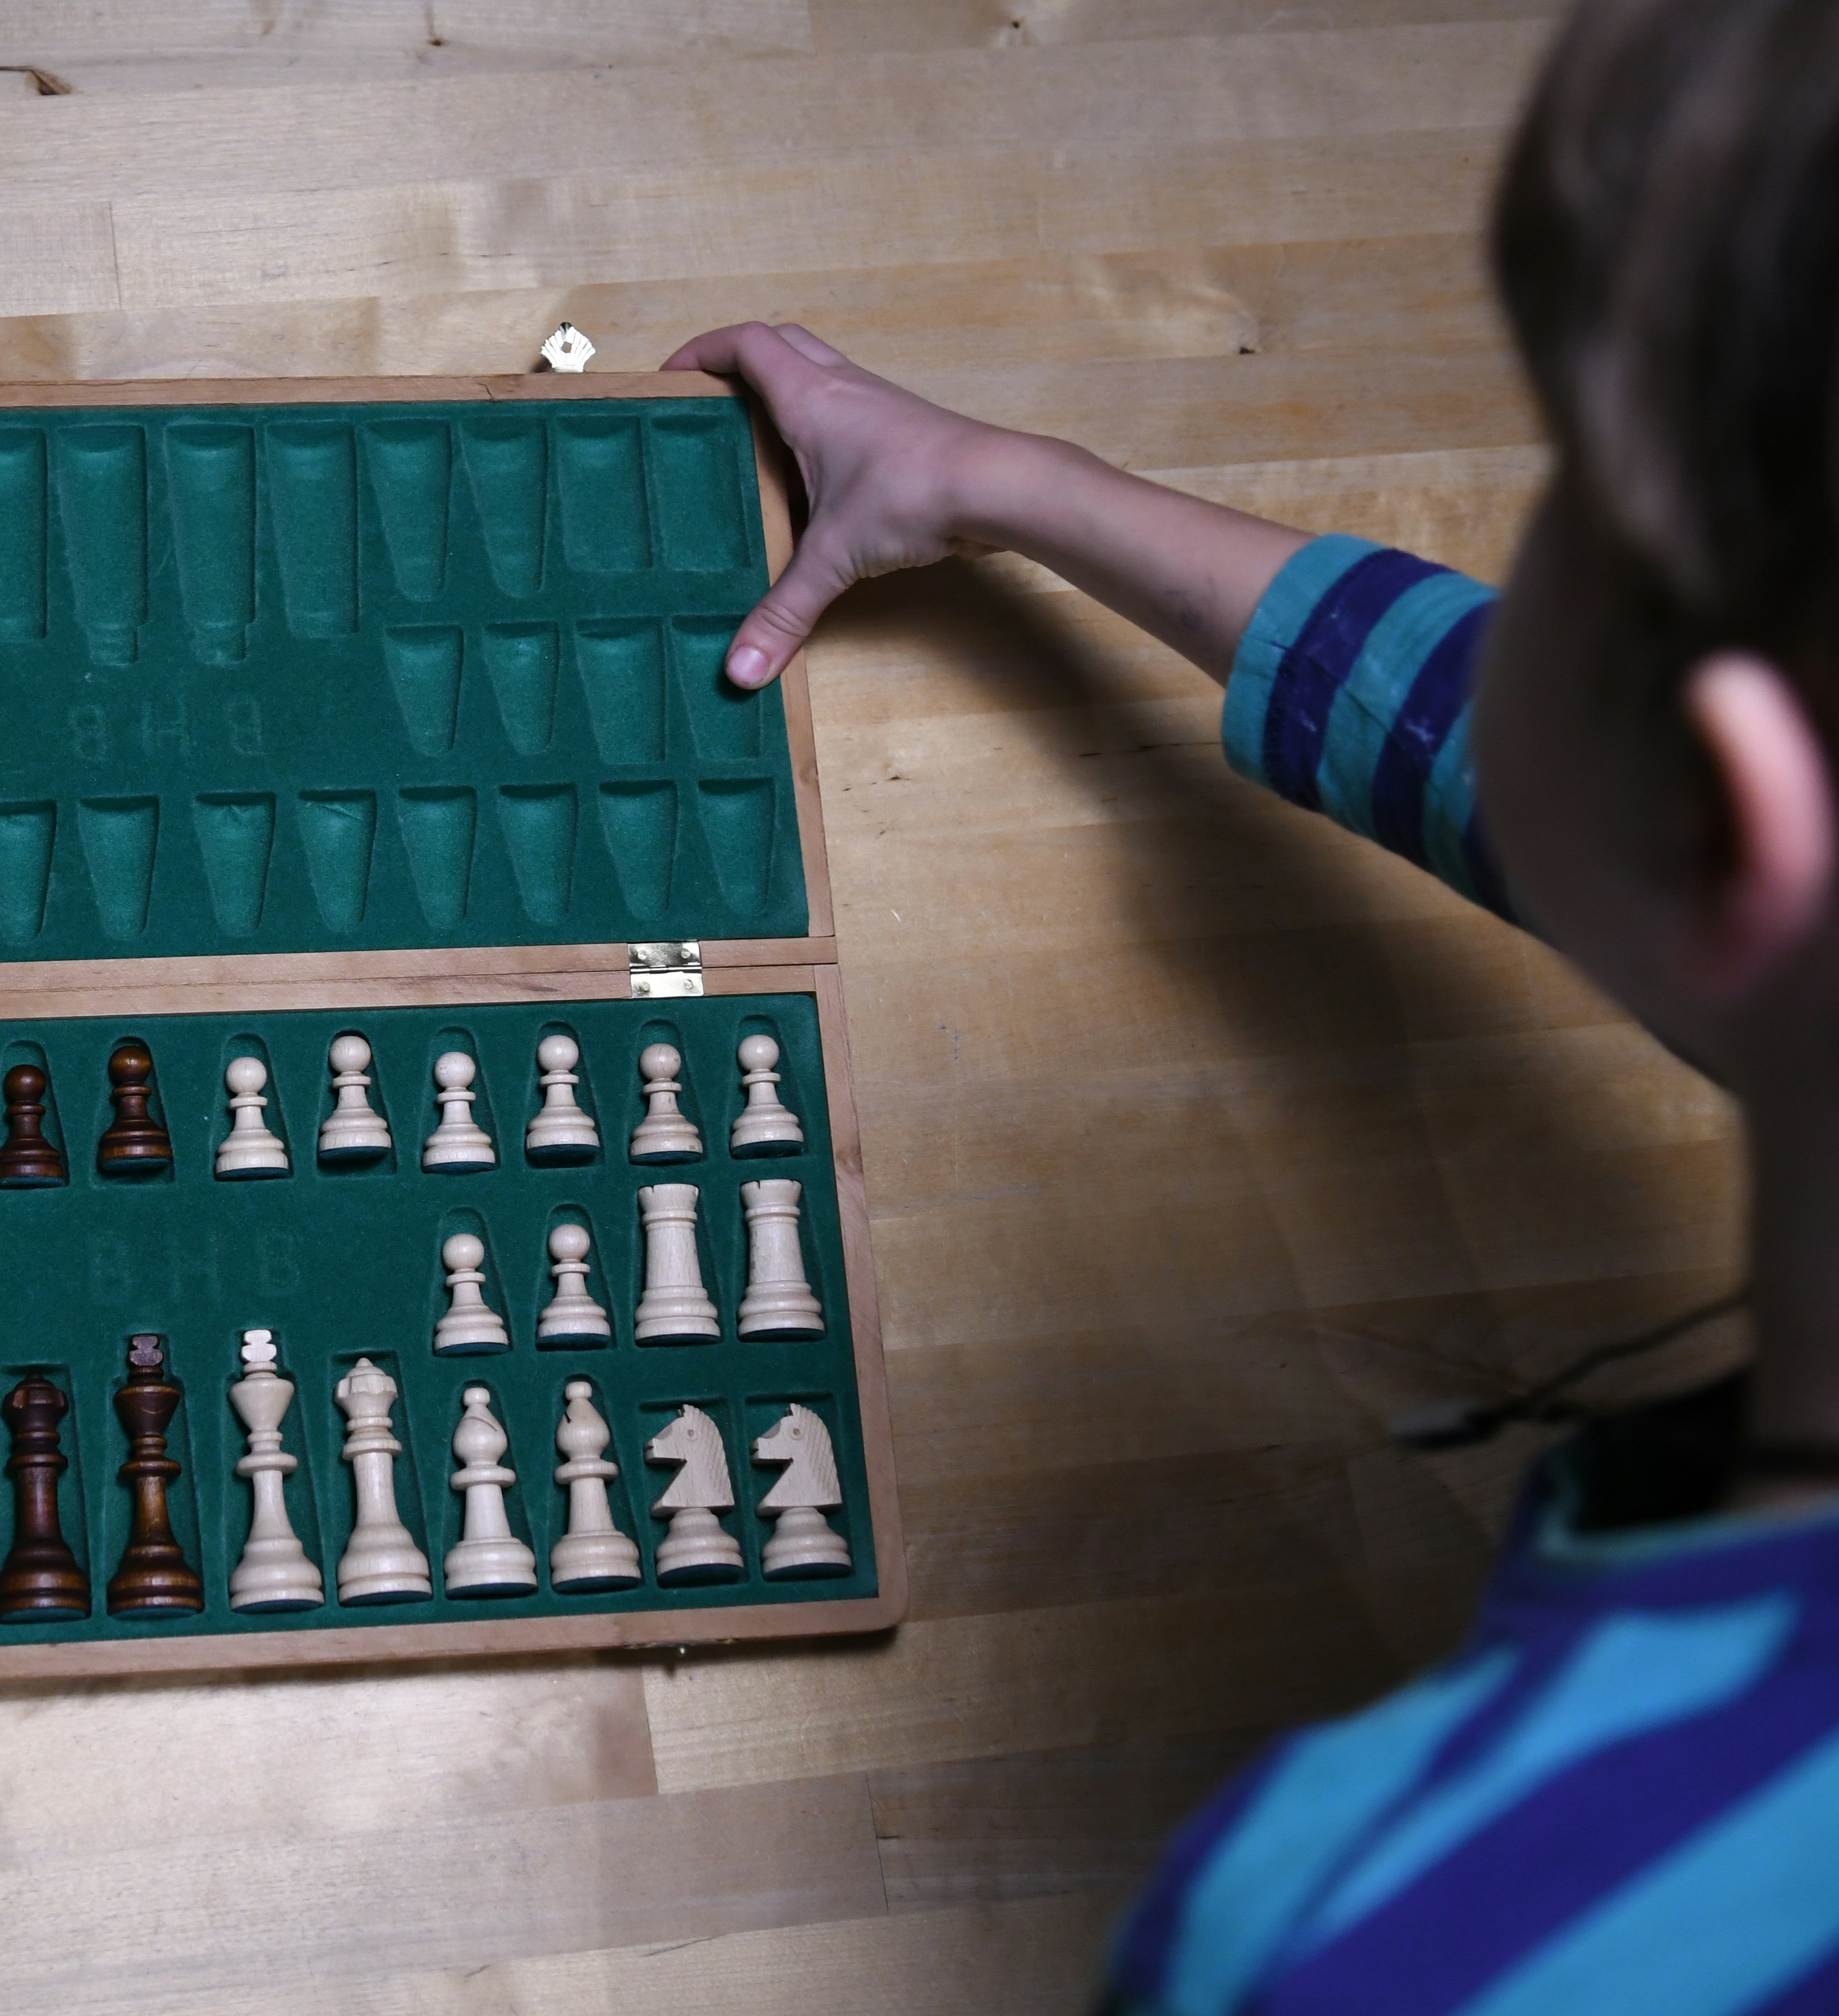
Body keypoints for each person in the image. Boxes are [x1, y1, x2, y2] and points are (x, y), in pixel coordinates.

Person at [674, 0, 1839, 2008]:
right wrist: (1004, 482)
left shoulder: (1362, 1944)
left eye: (1567, 515)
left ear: (1724, 836)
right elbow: (1499, 744)